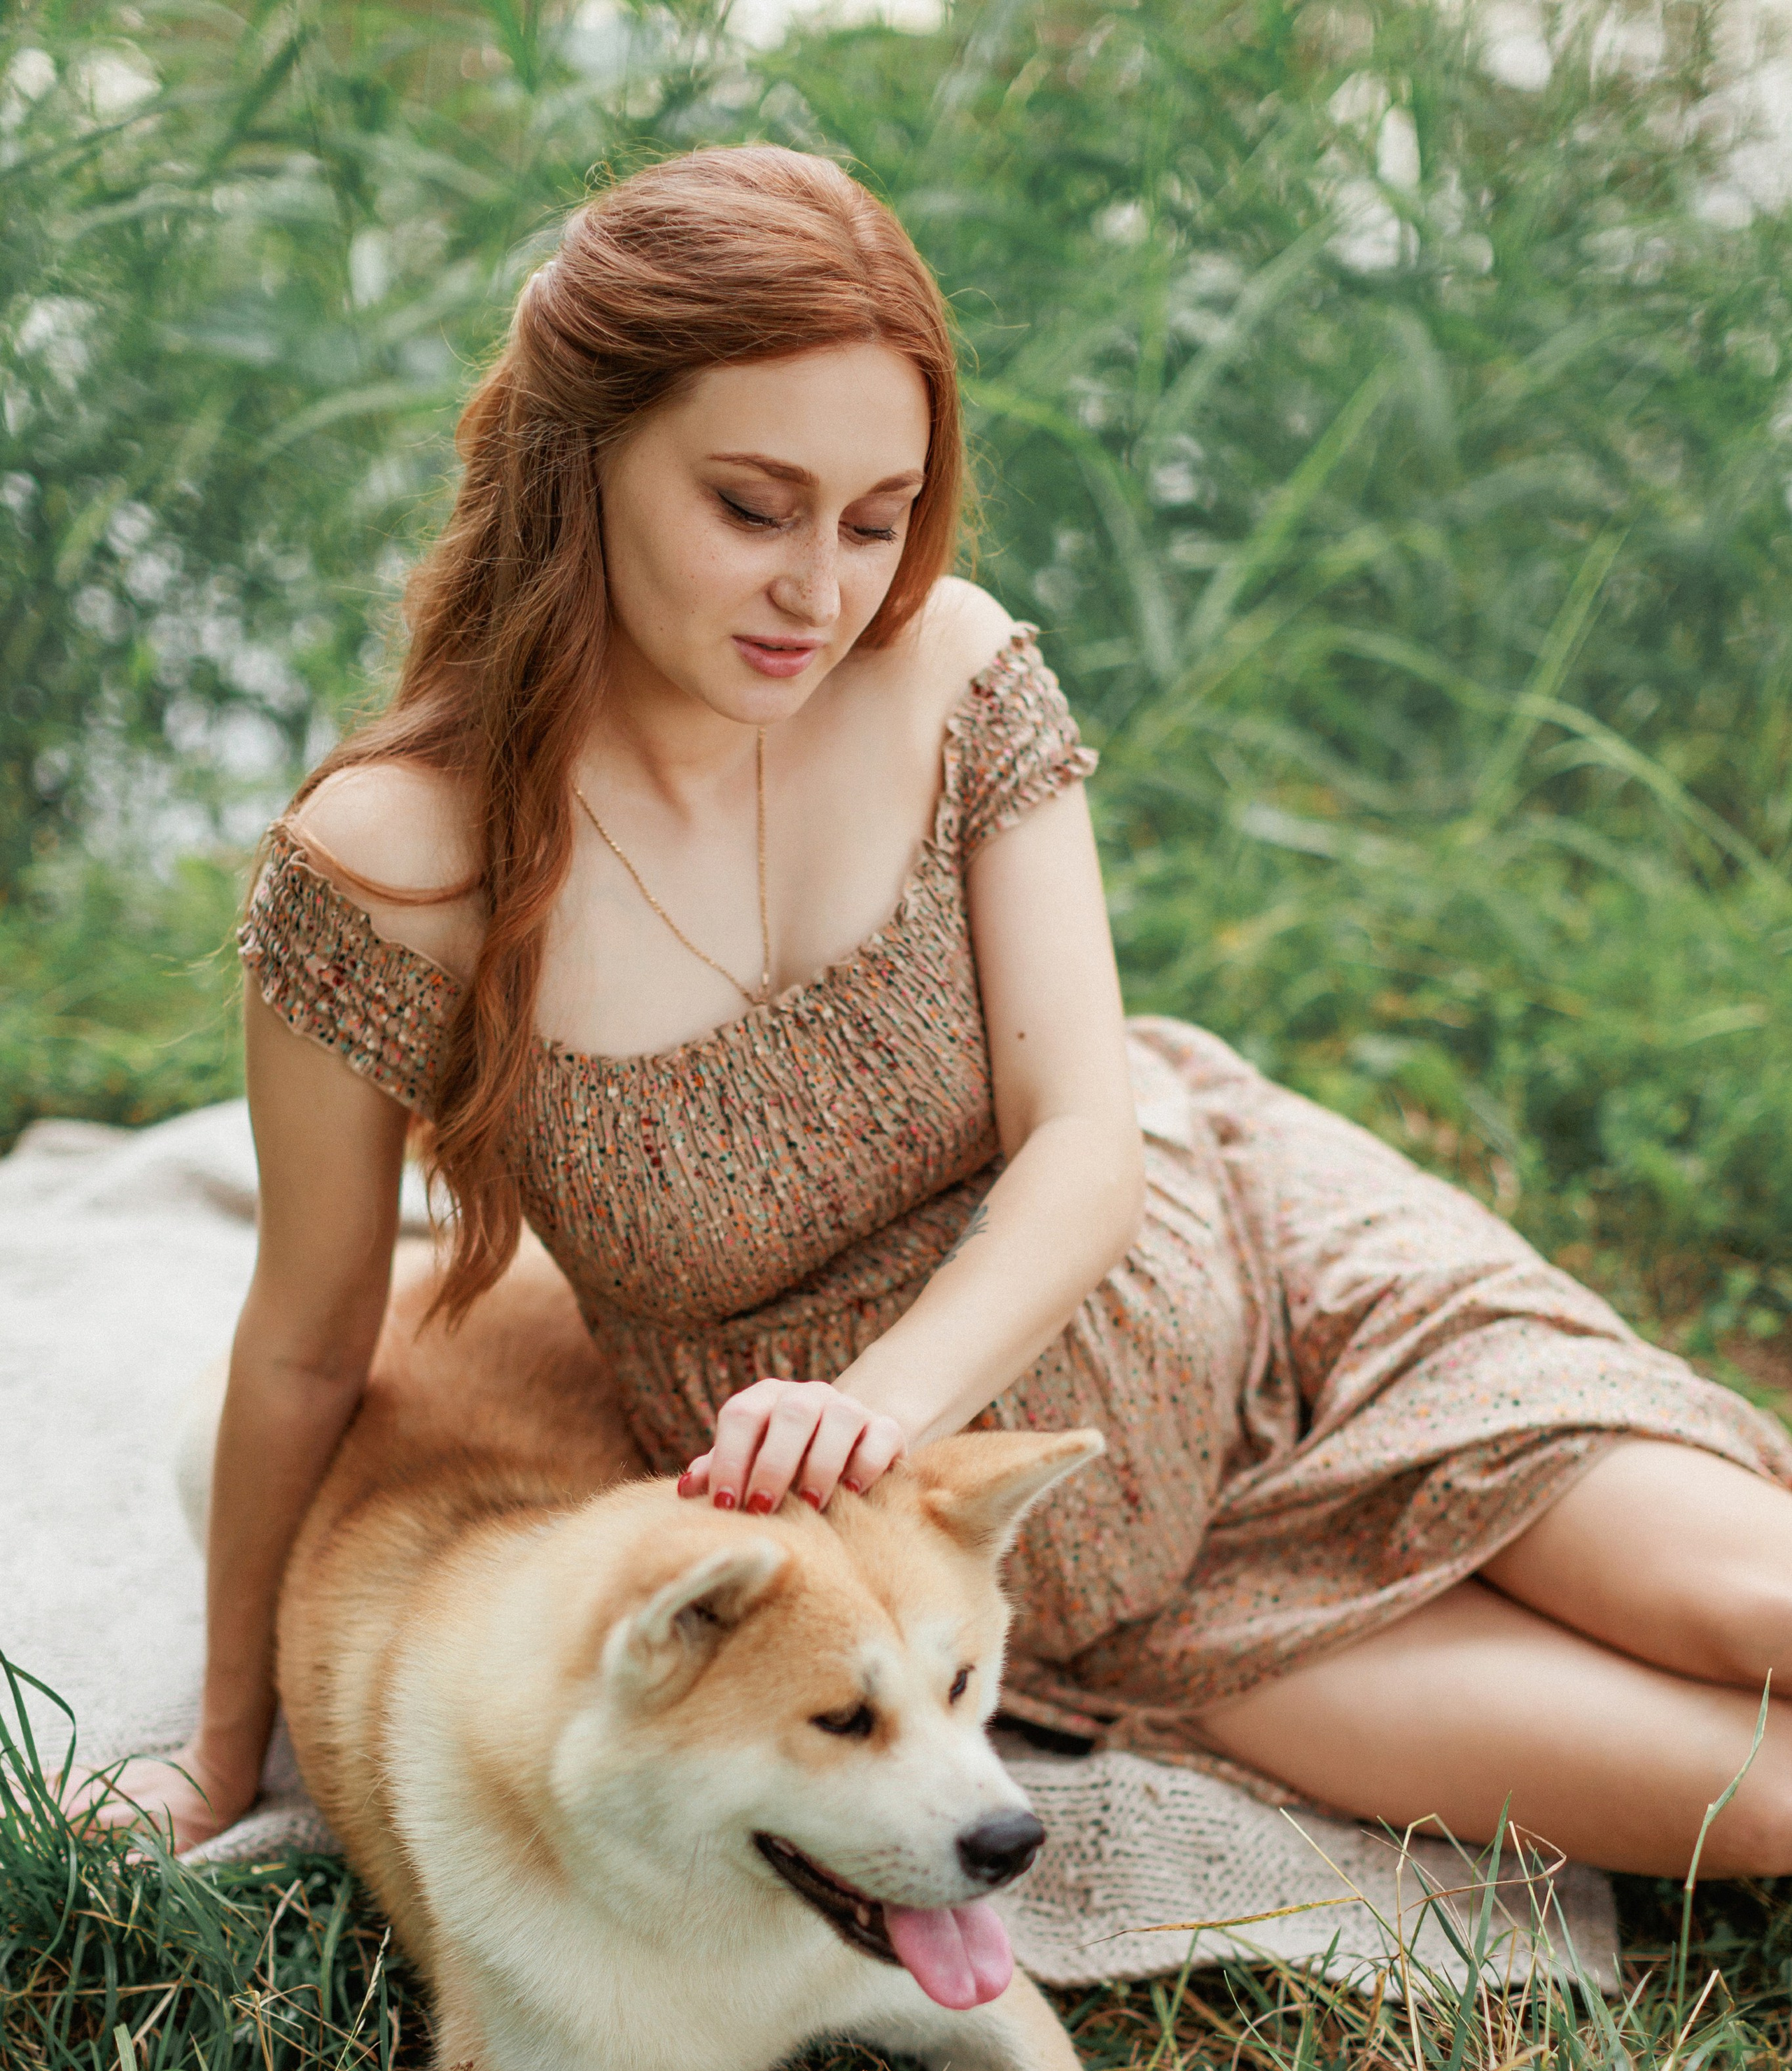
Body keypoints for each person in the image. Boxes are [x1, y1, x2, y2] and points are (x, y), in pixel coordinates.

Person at [82, 145, 1792, 1882]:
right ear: (571, 462)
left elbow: (1083, 1142)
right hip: (1106, 1581)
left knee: (1754, 1600)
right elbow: (304, 1343)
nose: (818, 592)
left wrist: (878, 1405)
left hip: (1292, 1289)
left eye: (873, 517)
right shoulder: (390, 871)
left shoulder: (944, 669)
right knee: (1762, 1805)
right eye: (750, 508)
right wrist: (224, 1753)